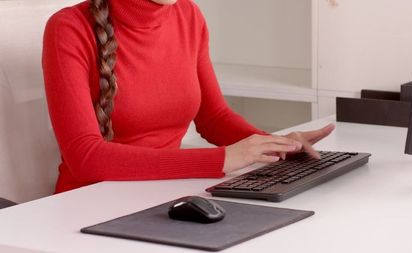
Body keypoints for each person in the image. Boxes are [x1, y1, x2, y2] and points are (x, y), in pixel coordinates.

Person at [42, 0, 335, 193]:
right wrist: (220, 159)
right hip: (87, 205)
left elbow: (213, 117)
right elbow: (85, 156)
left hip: (164, 192)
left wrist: (273, 146)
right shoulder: (69, 28)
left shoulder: (188, 14)